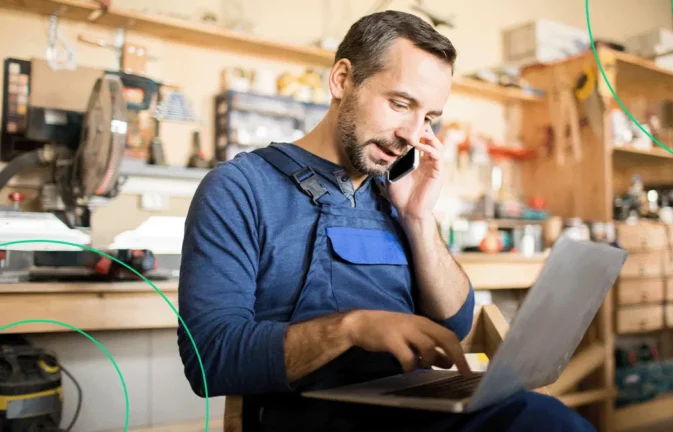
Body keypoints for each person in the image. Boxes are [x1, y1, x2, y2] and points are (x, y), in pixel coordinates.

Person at [177, 10, 595, 432]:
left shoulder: (396, 195)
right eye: (400, 104)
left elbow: (454, 323)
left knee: (546, 419)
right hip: (310, 418)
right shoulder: (240, 188)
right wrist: (353, 327)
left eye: (429, 117)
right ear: (342, 79)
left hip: (415, 405)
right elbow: (209, 358)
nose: (413, 134)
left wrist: (418, 218)